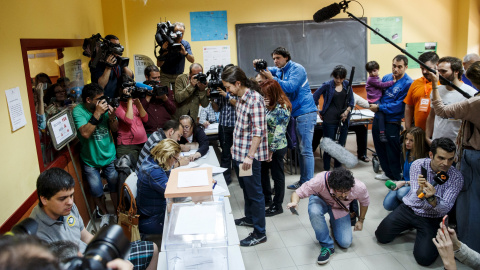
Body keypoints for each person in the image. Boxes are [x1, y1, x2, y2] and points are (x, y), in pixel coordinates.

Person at [29, 168, 159, 270]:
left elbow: (85, 236)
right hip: (84, 265)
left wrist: (113, 255)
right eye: (62, 198)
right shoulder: (37, 235)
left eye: (71, 196)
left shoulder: (67, 208)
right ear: (44, 199)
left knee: (152, 248)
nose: (70, 202)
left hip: (92, 255)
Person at [375, 138, 463, 266]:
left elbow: (445, 208)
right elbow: (416, 195)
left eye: (450, 159)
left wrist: (432, 198)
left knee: (424, 259)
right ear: (431, 155)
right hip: (410, 209)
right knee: (381, 236)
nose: (446, 163)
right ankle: (406, 223)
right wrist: (422, 191)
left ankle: (432, 235)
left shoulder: (456, 177)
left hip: (432, 217)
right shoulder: (418, 164)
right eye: (441, 158)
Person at [430, 61, 480, 253]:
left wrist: (435, 85)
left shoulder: (475, 102)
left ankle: (468, 249)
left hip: (475, 155)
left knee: (470, 203)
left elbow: (441, 111)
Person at [254, 47, 317, 190]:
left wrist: (271, 78)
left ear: (286, 57)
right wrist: (257, 66)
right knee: (301, 150)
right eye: (274, 58)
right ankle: (303, 181)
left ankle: (309, 184)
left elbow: (289, 87)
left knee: (306, 150)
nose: (275, 61)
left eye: (278, 58)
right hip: (296, 113)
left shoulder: (297, 69)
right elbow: (266, 71)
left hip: (305, 112)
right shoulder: (281, 69)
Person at [222, 66, 268, 246]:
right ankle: (250, 218)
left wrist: (250, 156)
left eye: (228, 87)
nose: (227, 91)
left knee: (255, 194)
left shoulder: (255, 100)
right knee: (247, 189)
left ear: (238, 83)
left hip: (248, 158)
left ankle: (260, 232)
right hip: (239, 153)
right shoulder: (240, 98)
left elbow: (259, 131)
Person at [287, 168, 369, 265]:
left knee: (345, 243)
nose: (343, 195)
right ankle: (327, 246)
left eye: (346, 192)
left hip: (340, 208)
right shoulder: (320, 181)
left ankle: (334, 221)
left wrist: (361, 221)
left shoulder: (359, 187)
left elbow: (365, 202)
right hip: (320, 200)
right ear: (332, 186)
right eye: (339, 191)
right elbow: (297, 192)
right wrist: (294, 202)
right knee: (314, 211)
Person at [72, 83, 119, 227]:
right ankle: (104, 213)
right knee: (96, 190)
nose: (103, 102)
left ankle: (116, 214)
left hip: (109, 154)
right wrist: (97, 113)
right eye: (99, 99)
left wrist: (112, 117)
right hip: (90, 158)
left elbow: (115, 129)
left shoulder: (104, 107)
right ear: (88, 100)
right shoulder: (78, 111)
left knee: (114, 186)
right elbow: (85, 133)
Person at [371, 55, 413, 181]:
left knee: (392, 150)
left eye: (399, 67)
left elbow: (400, 105)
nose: (396, 69)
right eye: (394, 66)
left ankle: (396, 177)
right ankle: (387, 173)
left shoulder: (408, 83)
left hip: (392, 121)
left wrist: (380, 107)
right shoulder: (387, 77)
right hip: (379, 118)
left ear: (405, 67)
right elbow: (379, 93)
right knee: (379, 147)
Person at [425, 56, 477, 145]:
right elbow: (432, 115)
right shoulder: (437, 90)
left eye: (444, 71)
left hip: (458, 143)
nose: (439, 75)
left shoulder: (470, 93)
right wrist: (427, 136)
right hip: (437, 140)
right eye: (438, 71)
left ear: (456, 71)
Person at [312, 65, 354, 171]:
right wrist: (319, 110)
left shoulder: (347, 85)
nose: (338, 80)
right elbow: (315, 96)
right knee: (329, 146)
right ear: (333, 76)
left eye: (341, 78)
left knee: (340, 146)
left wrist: (346, 112)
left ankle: (337, 170)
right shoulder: (327, 85)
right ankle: (326, 170)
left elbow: (351, 102)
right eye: (336, 78)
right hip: (329, 119)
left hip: (343, 119)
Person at [260, 79, 291, 217]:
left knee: (277, 176)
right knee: (263, 173)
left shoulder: (283, 107)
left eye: (267, 94)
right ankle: (267, 199)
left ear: (273, 93)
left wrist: (271, 151)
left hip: (277, 148)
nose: (264, 97)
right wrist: (263, 107)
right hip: (265, 145)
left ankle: (277, 205)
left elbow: (279, 131)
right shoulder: (268, 105)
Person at [137, 139, 181, 235]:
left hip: (150, 211)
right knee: (183, 223)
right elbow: (174, 193)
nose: (175, 163)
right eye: (176, 159)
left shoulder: (150, 159)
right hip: (151, 219)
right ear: (167, 156)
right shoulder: (154, 172)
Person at [383, 127, 428, 211]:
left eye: (411, 140)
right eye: (406, 139)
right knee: (387, 205)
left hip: (416, 186)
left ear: (418, 142)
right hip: (405, 183)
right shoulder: (405, 152)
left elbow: (424, 181)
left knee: (401, 193)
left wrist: (404, 183)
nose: (407, 142)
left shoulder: (424, 159)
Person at [404, 51, 439, 131]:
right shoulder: (416, 83)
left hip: (437, 132)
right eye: (422, 68)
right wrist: (408, 128)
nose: (424, 72)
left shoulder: (443, 84)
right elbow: (409, 106)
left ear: (437, 66)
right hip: (417, 131)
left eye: (427, 68)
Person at [211, 85, 238, 185]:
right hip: (223, 126)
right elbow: (216, 109)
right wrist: (212, 100)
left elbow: (238, 104)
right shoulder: (220, 93)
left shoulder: (237, 91)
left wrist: (226, 95)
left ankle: (242, 178)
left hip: (237, 127)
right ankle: (226, 179)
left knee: (238, 154)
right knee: (225, 153)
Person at [365, 60, 396, 142]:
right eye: (370, 71)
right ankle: (382, 133)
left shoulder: (376, 77)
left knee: (382, 113)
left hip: (377, 98)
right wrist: (392, 82)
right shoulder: (371, 79)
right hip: (374, 100)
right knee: (381, 115)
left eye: (374, 71)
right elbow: (381, 85)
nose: (373, 73)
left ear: (378, 69)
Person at [156, 22, 194, 89]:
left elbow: (192, 60)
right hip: (165, 74)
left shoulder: (185, 44)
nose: (180, 35)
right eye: (177, 32)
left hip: (178, 75)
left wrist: (185, 53)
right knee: (165, 95)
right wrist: (164, 51)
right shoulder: (166, 43)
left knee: (178, 97)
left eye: (182, 33)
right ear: (172, 32)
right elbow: (158, 64)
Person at [140, 65, 176, 135]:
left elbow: (173, 111)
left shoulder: (165, 90)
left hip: (165, 131)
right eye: (154, 78)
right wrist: (148, 97)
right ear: (147, 77)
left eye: (159, 77)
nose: (157, 80)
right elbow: (139, 113)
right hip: (149, 132)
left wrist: (165, 98)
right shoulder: (141, 91)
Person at [115, 88, 148, 161]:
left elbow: (145, 119)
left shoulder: (135, 103)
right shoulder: (118, 105)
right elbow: (129, 120)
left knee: (143, 170)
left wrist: (138, 104)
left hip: (142, 143)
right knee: (129, 171)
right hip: (127, 146)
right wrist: (129, 100)